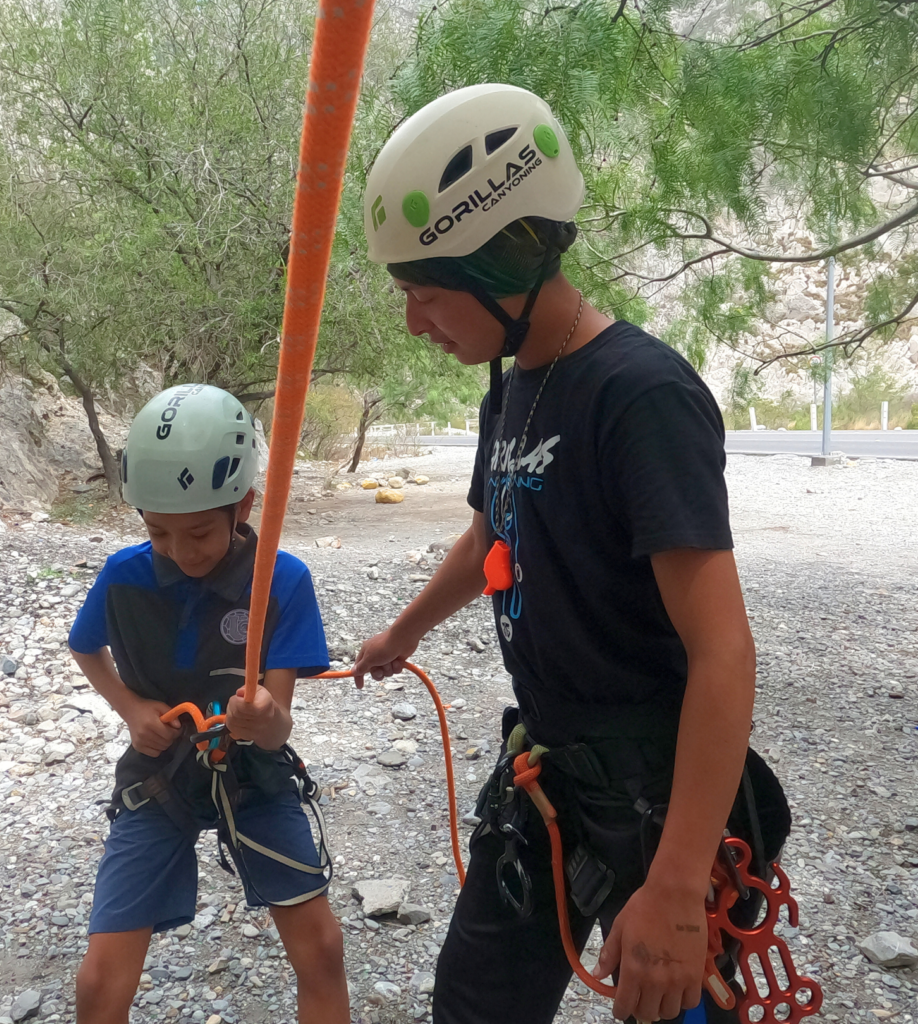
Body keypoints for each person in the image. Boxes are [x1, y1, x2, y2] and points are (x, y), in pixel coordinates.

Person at [353, 84, 788, 1024]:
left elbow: (724, 651)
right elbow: (489, 536)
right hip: (553, 770)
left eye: (425, 293)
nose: (414, 322)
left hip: (659, 790)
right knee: (473, 1004)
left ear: (499, 259)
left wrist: (676, 891)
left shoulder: (640, 396)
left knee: (673, 1006)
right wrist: (403, 631)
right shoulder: (510, 389)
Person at [68, 384, 348, 1024]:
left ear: (245, 505)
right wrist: (131, 708)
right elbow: (87, 650)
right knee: (98, 978)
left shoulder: (282, 581)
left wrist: (262, 718)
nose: (181, 551)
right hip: (161, 774)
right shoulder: (123, 576)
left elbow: (276, 727)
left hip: (250, 771)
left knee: (324, 948)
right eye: (158, 531)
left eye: (198, 532)